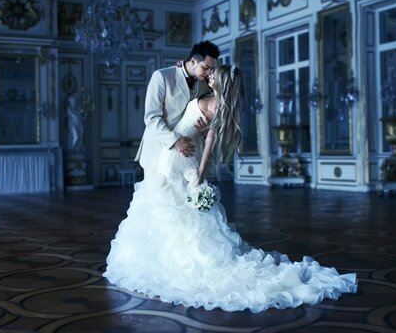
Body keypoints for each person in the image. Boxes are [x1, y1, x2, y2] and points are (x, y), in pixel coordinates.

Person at [104, 65, 357, 313]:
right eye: (210, 71)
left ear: (220, 82)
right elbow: (192, 106)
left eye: (214, 74)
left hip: (181, 156)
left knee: (167, 201)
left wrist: (201, 173)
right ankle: (162, 256)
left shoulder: (217, 105)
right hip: (178, 149)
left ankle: (173, 259)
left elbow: (211, 140)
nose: (210, 74)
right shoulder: (207, 93)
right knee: (167, 202)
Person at [134, 40, 219, 180]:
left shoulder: (205, 85)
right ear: (193, 61)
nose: (208, 73)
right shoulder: (161, 76)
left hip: (188, 151)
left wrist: (205, 131)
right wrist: (175, 140)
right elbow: (151, 118)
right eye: (205, 67)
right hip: (159, 146)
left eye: (211, 69)